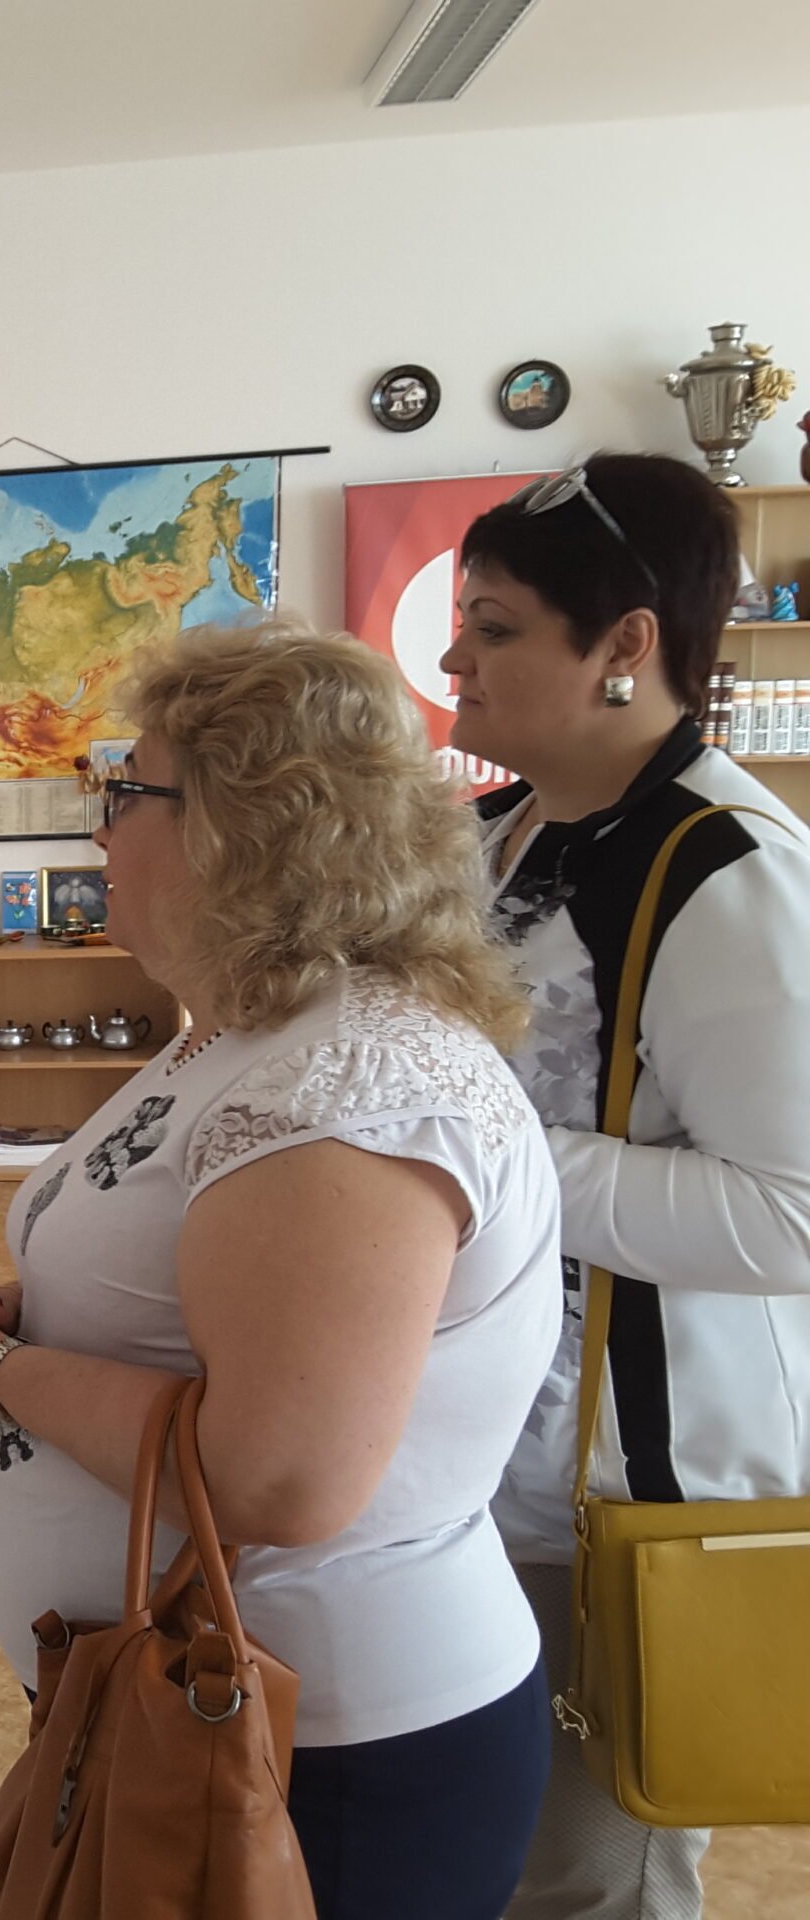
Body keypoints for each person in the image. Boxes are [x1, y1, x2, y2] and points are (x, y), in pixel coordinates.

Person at [0, 619, 562, 1920]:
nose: (97, 836)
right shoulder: (257, 1031)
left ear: (243, 827)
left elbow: (279, 1476)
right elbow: (206, 1298)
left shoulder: (349, 1087)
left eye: (122, 793)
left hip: (320, 1757)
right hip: (204, 1707)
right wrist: (40, 1318)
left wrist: (3, 1371)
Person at [445, 454, 810, 1920]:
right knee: (487, 1850)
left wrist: (488, 1157)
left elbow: (791, 1212)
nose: (453, 661)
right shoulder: (494, 837)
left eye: (494, 628)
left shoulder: (730, 872)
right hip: (466, 1450)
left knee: (595, 1878)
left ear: (625, 646)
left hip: (613, 1483)